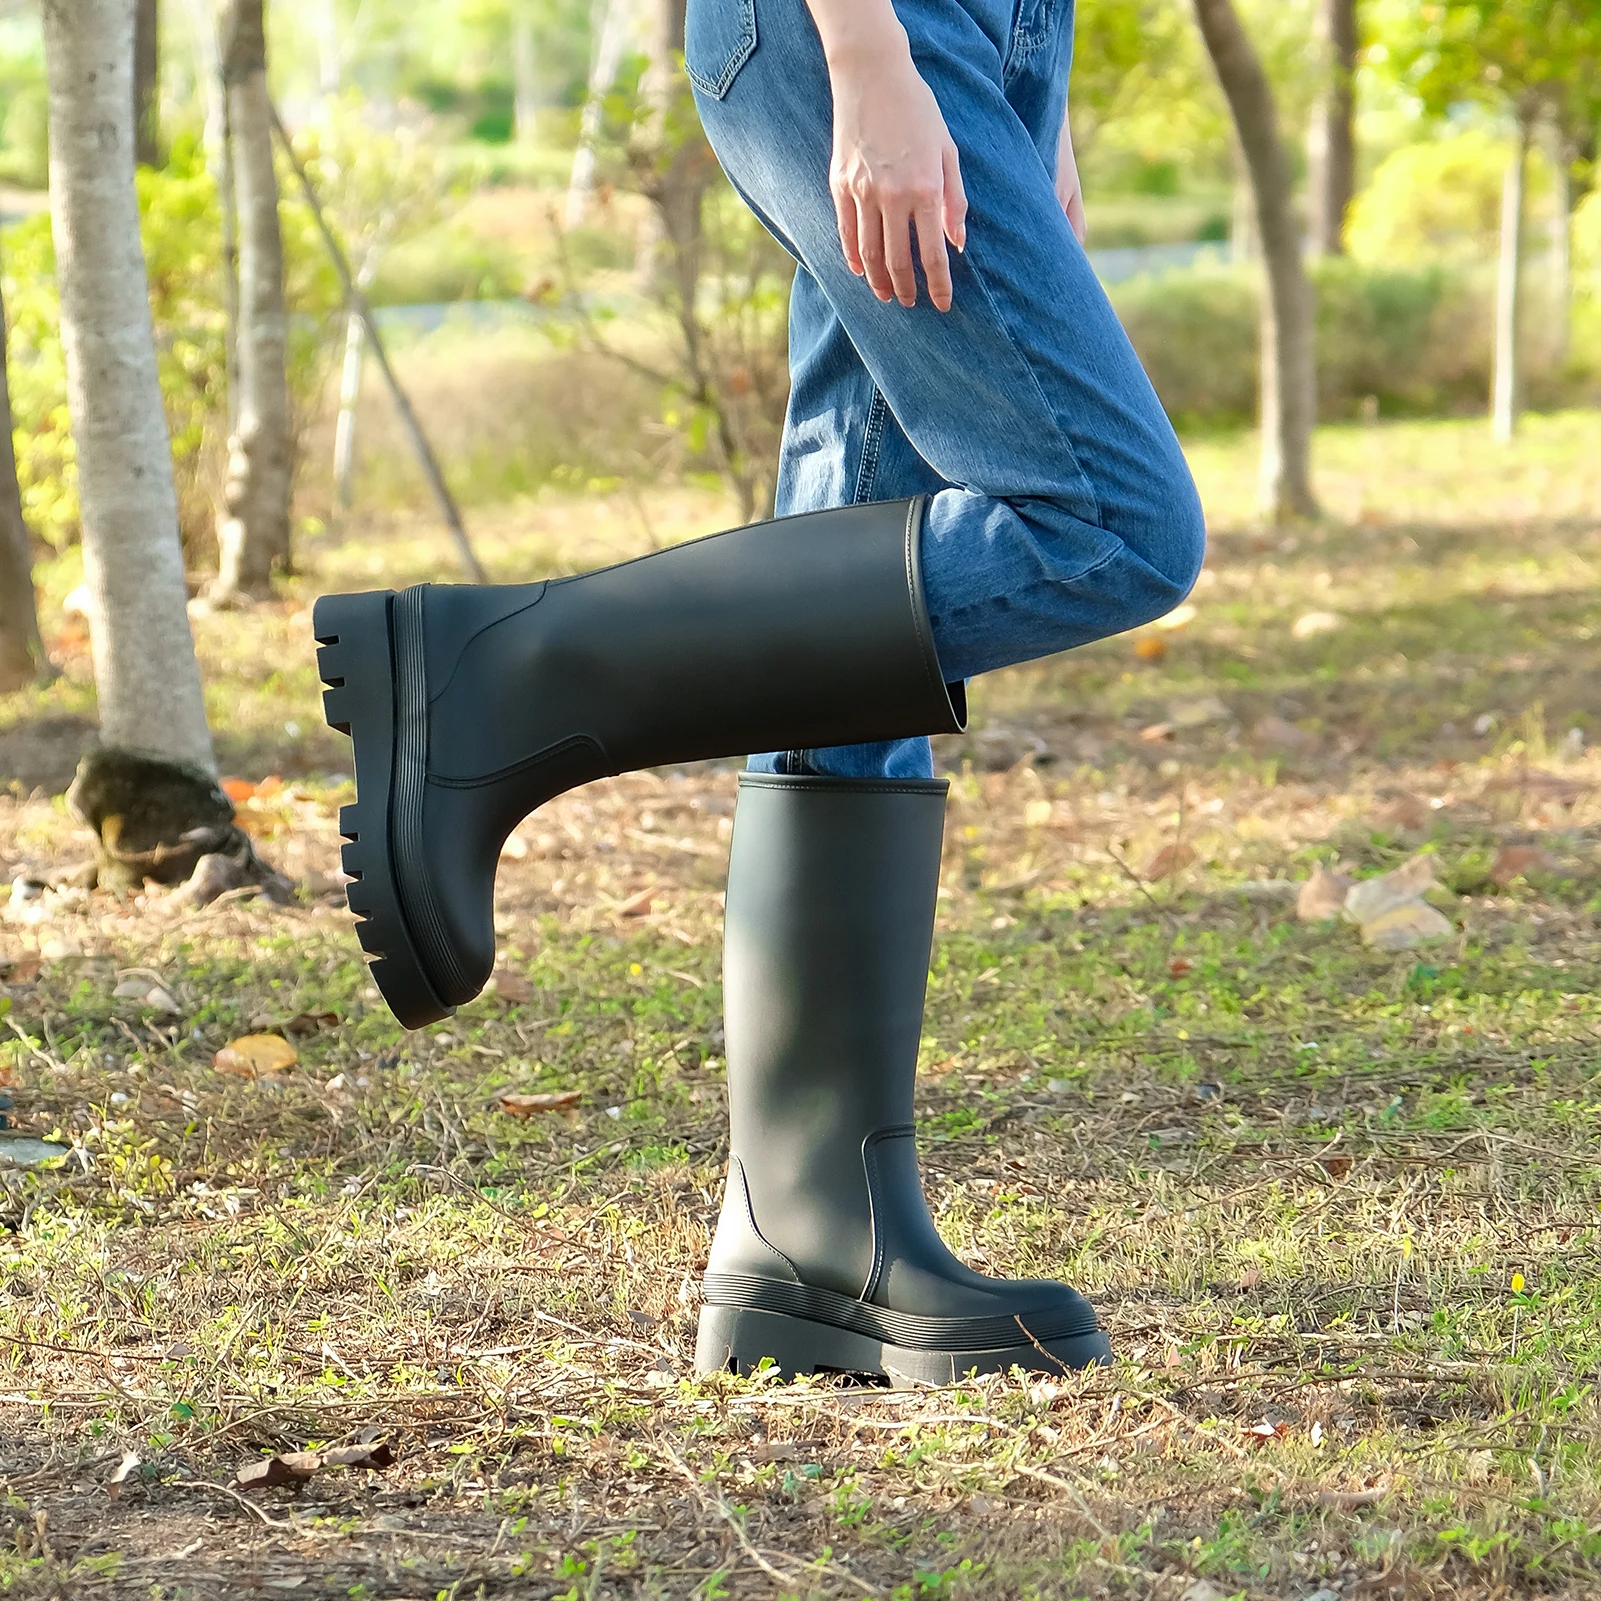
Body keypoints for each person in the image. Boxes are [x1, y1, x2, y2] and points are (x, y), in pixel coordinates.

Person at [314, 0, 1204, 1382]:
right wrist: (864, 56)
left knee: (868, 526)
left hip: (988, 42)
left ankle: (810, 1234)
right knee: (1113, 524)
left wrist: (1049, 99)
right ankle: (497, 672)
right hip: (867, 28)